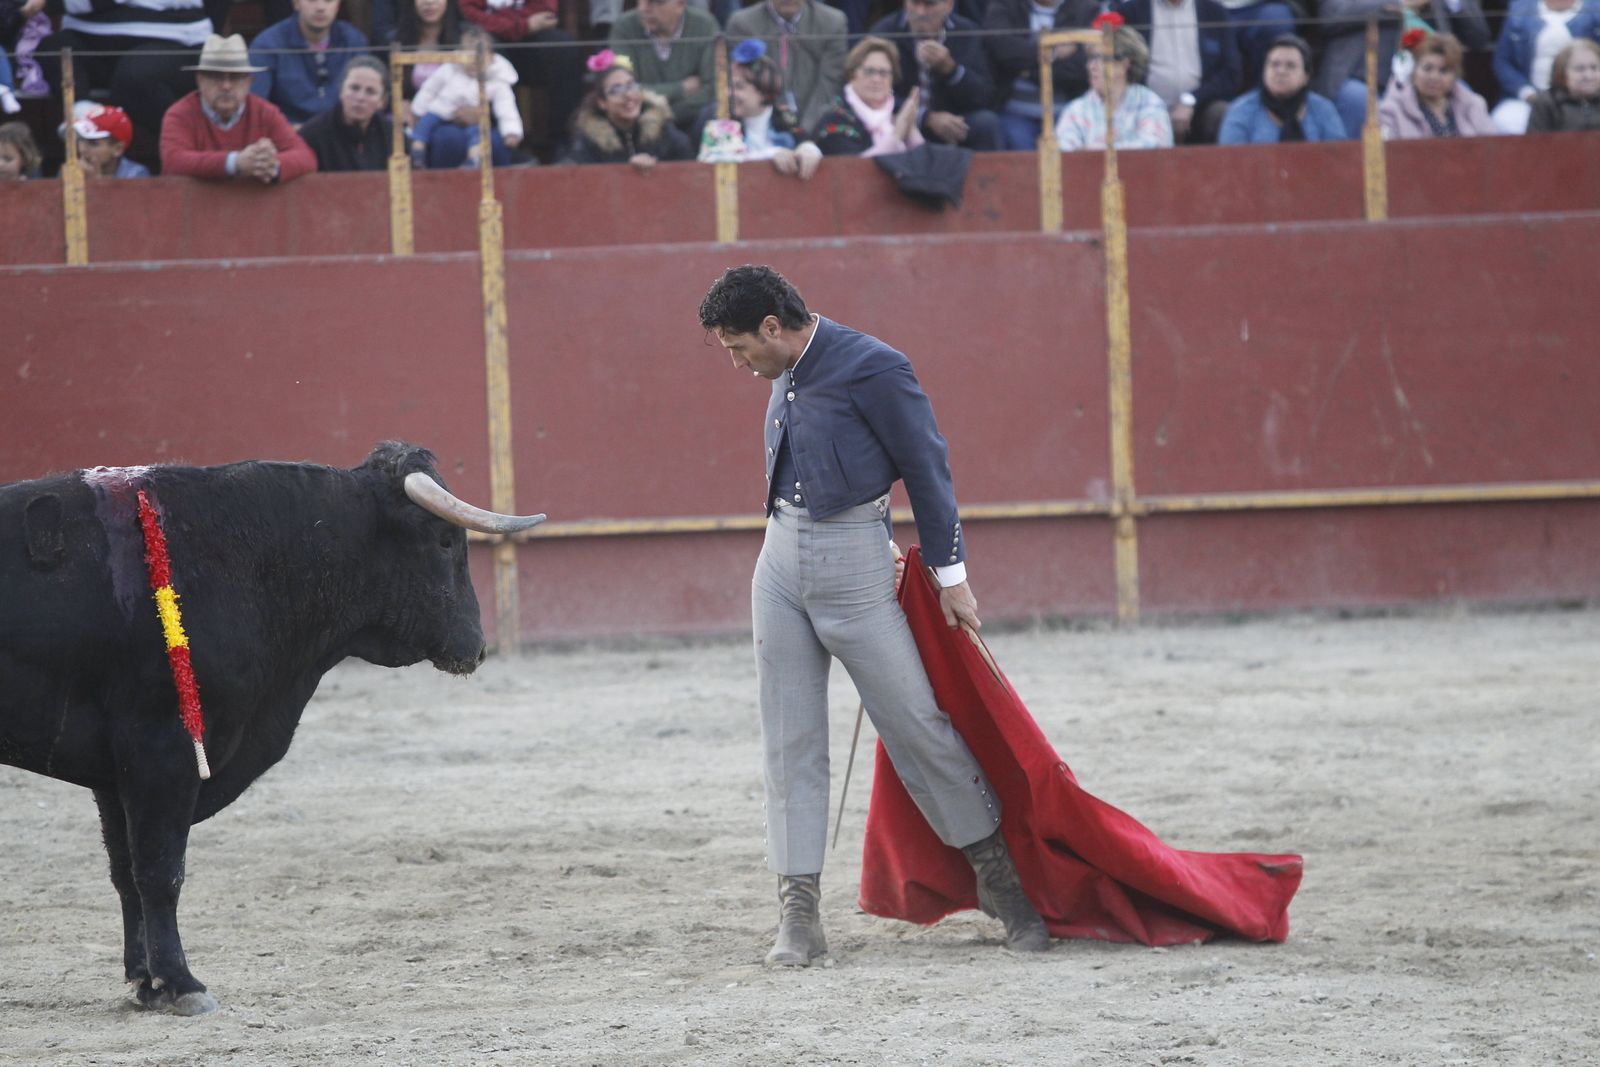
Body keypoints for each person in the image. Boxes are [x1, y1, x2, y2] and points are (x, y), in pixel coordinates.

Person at [696, 265, 1051, 966]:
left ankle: (999, 880)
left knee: (917, 724)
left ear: (773, 327)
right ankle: (798, 912)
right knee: (789, 737)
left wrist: (951, 576)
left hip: (856, 566)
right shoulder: (784, 371)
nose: (738, 364)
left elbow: (927, 467)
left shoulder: (876, 366)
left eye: (739, 347)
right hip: (778, 564)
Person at [37, 0, 211, 161]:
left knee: (135, 78)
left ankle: (191, 152)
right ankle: (86, 120)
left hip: (170, 35)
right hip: (88, 34)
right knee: (54, 49)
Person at [159, 34, 318, 182]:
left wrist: (270, 165)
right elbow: (174, 161)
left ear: (249, 82)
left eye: (235, 77)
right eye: (216, 77)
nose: (226, 86)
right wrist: (234, 162)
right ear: (200, 80)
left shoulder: (265, 112)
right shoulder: (179, 114)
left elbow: (306, 158)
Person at [866, 0, 1003, 151]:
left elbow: (985, 96)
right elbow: (868, 94)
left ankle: (987, 175)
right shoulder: (884, 33)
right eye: (915, 4)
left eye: (929, 5)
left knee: (987, 123)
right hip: (898, 121)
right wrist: (926, 118)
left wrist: (951, 70)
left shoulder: (966, 31)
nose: (921, 12)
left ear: (949, 5)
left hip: (953, 120)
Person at [459, 0, 583, 154]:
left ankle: (563, 141)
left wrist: (511, 25)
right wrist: (523, 25)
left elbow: (546, 11)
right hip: (494, 36)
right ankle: (507, 142)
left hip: (530, 37)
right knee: (488, 53)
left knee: (565, 49)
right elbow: (468, 13)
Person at [692, 39, 822, 179]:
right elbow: (723, 159)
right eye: (729, 86)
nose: (729, 93)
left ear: (764, 92)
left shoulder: (784, 117)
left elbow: (805, 141)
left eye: (739, 87)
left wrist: (808, 149)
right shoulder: (716, 115)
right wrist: (771, 155)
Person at [1118, 0, 1243, 144]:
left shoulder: (1214, 11)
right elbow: (1123, 67)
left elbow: (1231, 72)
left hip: (1199, 107)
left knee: (1222, 113)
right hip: (1143, 106)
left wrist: (1191, 99)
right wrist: (1152, 107)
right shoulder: (1131, 11)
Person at [984, 0, 1100, 150]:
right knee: (1021, 159)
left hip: (1067, 111)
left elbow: (1082, 67)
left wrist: (1026, 72)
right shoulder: (1005, 5)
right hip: (1015, 111)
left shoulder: (1086, 9)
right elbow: (1002, 49)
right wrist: (1053, 53)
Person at [726, 0, 849, 136]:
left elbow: (829, 84)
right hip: (764, 126)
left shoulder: (832, 22)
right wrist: (779, 122)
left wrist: (802, 132)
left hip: (815, 124)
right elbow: (742, 84)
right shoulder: (742, 23)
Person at [409, 23, 522, 167]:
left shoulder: (497, 80)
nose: (474, 61)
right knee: (424, 126)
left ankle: (472, 161)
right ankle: (418, 152)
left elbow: (506, 108)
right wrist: (417, 110)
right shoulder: (450, 68)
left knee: (479, 137)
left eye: (480, 56)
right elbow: (429, 89)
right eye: (469, 56)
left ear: (492, 58)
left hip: (477, 122)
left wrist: (511, 132)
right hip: (440, 113)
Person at [249, 0, 373, 126]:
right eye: (312, 0)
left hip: (343, 136)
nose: (320, 7)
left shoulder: (354, 40)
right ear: (296, 3)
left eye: (328, 1)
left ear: (338, 4)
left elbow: (370, 103)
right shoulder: (267, 45)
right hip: (288, 135)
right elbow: (256, 106)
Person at [564, 51, 693, 168]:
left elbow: (686, 161)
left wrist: (656, 166)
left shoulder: (661, 127)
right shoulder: (588, 140)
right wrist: (627, 168)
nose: (628, 95)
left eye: (631, 85)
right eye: (616, 90)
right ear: (602, 103)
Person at [1056, 21, 1174, 149]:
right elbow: (1063, 154)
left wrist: (1092, 150)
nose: (1091, 66)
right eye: (1090, 58)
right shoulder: (1076, 110)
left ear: (1123, 65)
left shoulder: (1149, 103)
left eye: (1100, 58)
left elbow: (1153, 151)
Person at [1491, 0, 1600, 134]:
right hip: (1527, 98)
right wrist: (1527, 93)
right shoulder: (1519, 9)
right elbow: (1502, 62)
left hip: (1589, 98)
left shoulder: (1595, 10)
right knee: (1504, 120)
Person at [608, 0, 719, 130]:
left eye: (655, 2)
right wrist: (680, 89)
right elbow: (626, 90)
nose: (643, 9)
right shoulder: (625, 26)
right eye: (640, 1)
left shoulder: (704, 25)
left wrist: (666, 114)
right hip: (642, 122)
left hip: (693, 120)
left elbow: (712, 89)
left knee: (713, 111)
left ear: (680, 4)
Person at [1218, 34, 1347, 143]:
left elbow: (1338, 161)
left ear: (1306, 76)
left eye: (1290, 66)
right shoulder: (1241, 110)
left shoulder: (1323, 109)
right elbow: (1230, 164)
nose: (1281, 71)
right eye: (1274, 64)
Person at [813, 36, 924, 156]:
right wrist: (896, 136)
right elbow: (854, 169)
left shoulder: (897, 115)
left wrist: (911, 131)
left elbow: (924, 166)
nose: (876, 79)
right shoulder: (835, 120)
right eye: (869, 71)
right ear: (853, 75)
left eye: (883, 73)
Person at [1378, 31, 1494, 138]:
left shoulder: (1473, 105)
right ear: (1413, 70)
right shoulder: (1391, 110)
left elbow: (1492, 148)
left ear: (1455, 75)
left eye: (1443, 71)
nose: (1434, 77)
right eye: (1427, 68)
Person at [299, 54, 393, 170]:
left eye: (370, 91)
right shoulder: (313, 135)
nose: (360, 98)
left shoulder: (392, 136)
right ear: (341, 91)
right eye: (354, 88)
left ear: (382, 101)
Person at [386, 0, 462, 127]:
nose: (429, 2)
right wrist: (399, 102)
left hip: (453, 118)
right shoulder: (397, 41)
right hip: (411, 116)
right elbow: (388, 87)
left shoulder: (466, 38)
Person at [1529, 37, 1600, 130]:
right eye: (1579, 69)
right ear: (1562, 73)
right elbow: (1534, 142)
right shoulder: (1546, 103)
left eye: (1594, 68)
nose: (1588, 76)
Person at [73, 104, 152, 177]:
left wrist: (94, 182)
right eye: (81, 140)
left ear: (118, 149)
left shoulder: (136, 174)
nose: (82, 149)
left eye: (93, 143)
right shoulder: (69, 171)